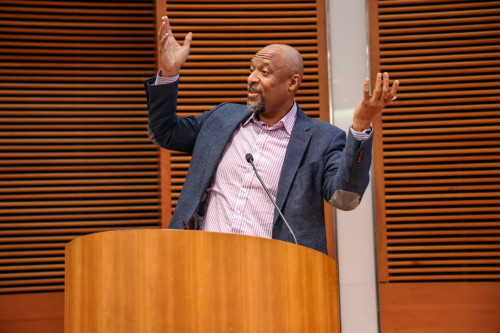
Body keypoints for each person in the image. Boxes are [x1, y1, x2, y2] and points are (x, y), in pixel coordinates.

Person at [144, 16, 399, 253]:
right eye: (252, 69)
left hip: (275, 275)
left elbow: (345, 199)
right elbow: (164, 133)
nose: (252, 78)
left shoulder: (322, 140)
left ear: (292, 83)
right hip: (203, 262)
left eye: (264, 72)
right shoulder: (221, 119)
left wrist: (361, 124)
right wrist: (169, 74)